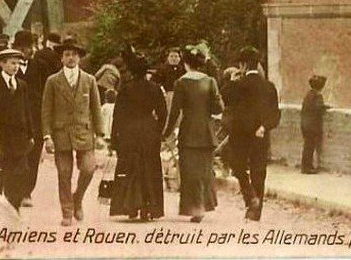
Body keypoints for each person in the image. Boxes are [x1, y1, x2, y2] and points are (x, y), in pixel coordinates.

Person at [41, 37, 105, 226]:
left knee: (88, 168)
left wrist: (100, 135)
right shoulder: (53, 81)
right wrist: (47, 136)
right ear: (61, 58)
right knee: (64, 173)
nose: (71, 58)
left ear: (79, 58)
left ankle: (77, 199)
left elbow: (96, 107)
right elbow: (46, 111)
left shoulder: (89, 80)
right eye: (67, 54)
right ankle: (67, 212)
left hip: (83, 132)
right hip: (61, 133)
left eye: (74, 55)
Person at [163, 46, 224, 222]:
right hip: (206, 132)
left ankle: (195, 207)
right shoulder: (210, 81)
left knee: (189, 172)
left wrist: (166, 133)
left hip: (188, 133)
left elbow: (174, 113)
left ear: (186, 64)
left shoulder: (181, 83)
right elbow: (218, 108)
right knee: (205, 171)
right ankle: (204, 205)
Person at [222, 46, 281, 221]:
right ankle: (256, 211)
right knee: (259, 170)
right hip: (260, 133)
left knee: (237, 166)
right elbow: (275, 112)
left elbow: (224, 98)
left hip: (240, 134)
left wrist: (231, 81)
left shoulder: (238, 85)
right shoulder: (269, 86)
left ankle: (250, 197)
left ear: (243, 65)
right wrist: (264, 126)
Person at [109, 49, 167, 221]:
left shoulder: (126, 89)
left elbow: (117, 115)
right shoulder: (155, 88)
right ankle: (149, 207)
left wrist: (114, 138)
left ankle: (131, 206)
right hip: (149, 130)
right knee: (149, 168)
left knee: (130, 168)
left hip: (129, 131)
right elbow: (163, 113)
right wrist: (158, 130)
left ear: (132, 71)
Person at [0, 48, 34, 210]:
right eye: (12, 63)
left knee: (20, 173)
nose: (15, 67)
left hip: (19, 137)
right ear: (2, 64)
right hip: (0, 137)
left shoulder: (22, 85)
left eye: (18, 63)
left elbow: (26, 110)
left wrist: (30, 134)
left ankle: (13, 209)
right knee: (0, 171)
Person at [12, 29, 47, 205]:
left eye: (31, 47)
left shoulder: (38, 66)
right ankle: (16, 191)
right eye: (26, 47)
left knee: (33, 156)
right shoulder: (11, 67)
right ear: (18, 48)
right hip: (17, 119)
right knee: (18, 155)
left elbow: (44, 92)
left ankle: (27, 192)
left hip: (36, 118)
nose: (30, 50)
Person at [300, 74, 329, 174]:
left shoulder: (308, 94)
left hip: (304, 124)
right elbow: (318, 108)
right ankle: (307, 167)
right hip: (312, 125)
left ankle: (306, 166)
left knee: (307, 146)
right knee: (310, 146)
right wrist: (325, 108)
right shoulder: (318, 96)